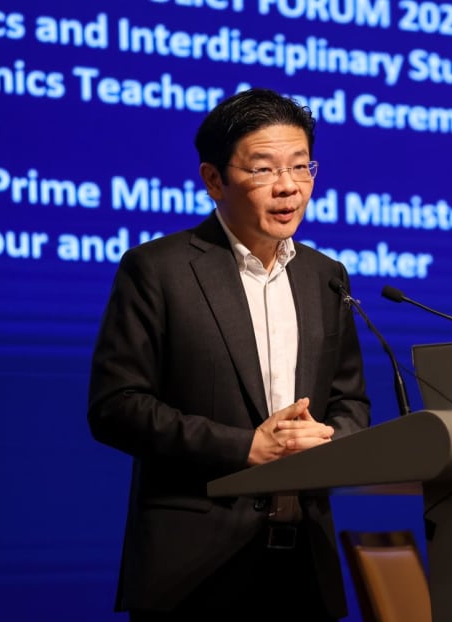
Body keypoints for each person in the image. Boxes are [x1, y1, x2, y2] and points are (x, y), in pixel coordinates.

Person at [88, 88, 371, 621]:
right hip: (195, 568)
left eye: (301, 166)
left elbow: (350, 401)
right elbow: (117, 406)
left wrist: (328, 442)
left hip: (302, 567)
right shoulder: (159, 270)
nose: (289, 186)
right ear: (214, 179)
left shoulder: (324, 276)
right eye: (264, 169)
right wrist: (248, 447)